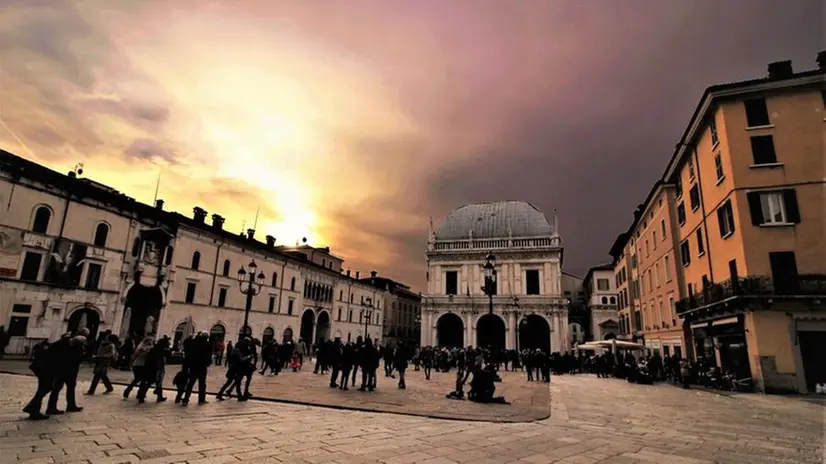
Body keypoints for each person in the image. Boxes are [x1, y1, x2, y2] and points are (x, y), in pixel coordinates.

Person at [46, 329, 88, 414]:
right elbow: (77, 358)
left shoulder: (65, 341)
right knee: (64, 388)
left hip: (61, 368)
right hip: (69, 369)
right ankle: (66, 406)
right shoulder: (75, 343)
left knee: (58, 388)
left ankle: (54, 407)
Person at [23, 339, 52, 420]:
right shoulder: (46, 348)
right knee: (45, 388)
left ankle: (33, 409)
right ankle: (33, 409)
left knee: (43, 389)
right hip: (44, 370)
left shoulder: (42, 346)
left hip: (41, 369)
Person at [182, 331, 211, 406]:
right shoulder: (207, 345)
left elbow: (187, 348)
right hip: (202, 367)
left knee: (190, 383)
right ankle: (201, 399)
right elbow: (208, 357)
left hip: (193, 366)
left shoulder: (193, 343)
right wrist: (208, 363)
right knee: (202, 384)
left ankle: (186, 399)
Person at [122, 337, 154, 403]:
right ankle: (140, 395)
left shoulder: (139, 348)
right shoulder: (149, 348)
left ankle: (128, 391)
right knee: (143, 380)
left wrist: (131, 364)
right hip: (143, 366)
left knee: (136, 379)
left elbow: (134, 356)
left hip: (136, 365)